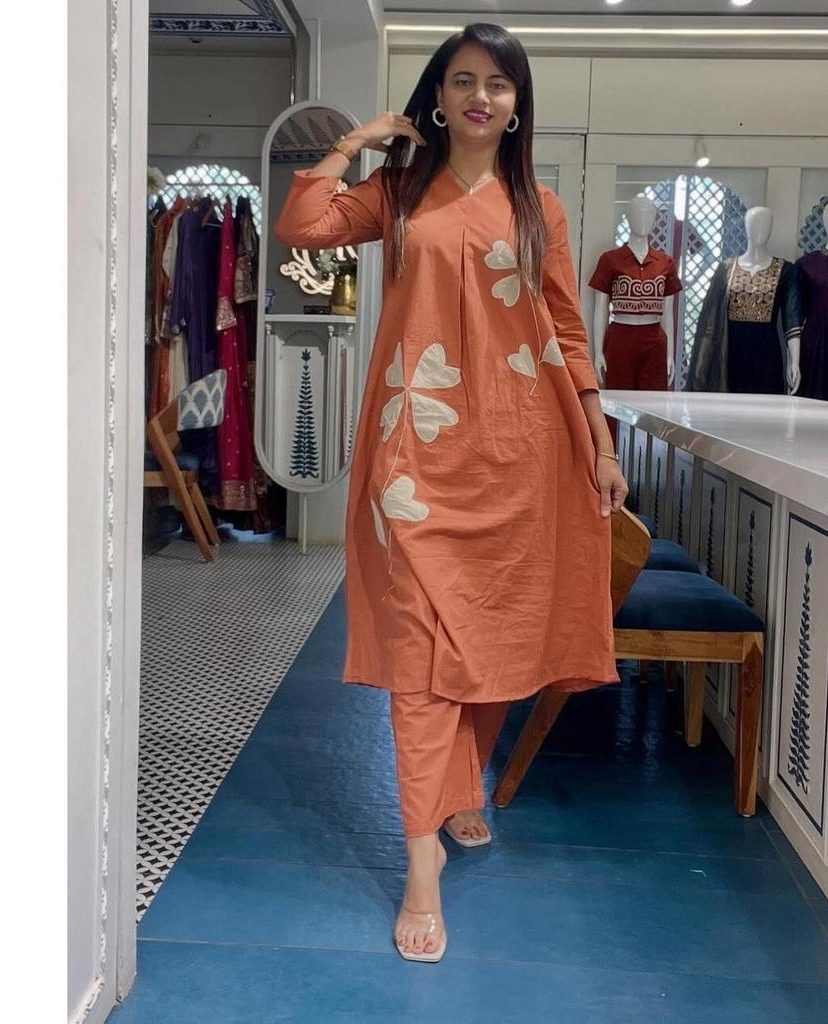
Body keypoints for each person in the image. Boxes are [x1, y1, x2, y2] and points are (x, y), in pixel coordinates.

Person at [275, 22, 628, 964]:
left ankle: (463, 783)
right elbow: (303, 227)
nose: (481, 97)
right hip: (413, 450)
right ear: (438, 96)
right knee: (422, 652)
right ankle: (421, 862)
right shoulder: (397, 191)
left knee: (493, 633)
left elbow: (566, 328)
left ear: (517, 103)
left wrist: (598, 440)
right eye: (464, 80)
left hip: (519, 451)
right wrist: (355, 142)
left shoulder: (538, 207)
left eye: (498, 84)